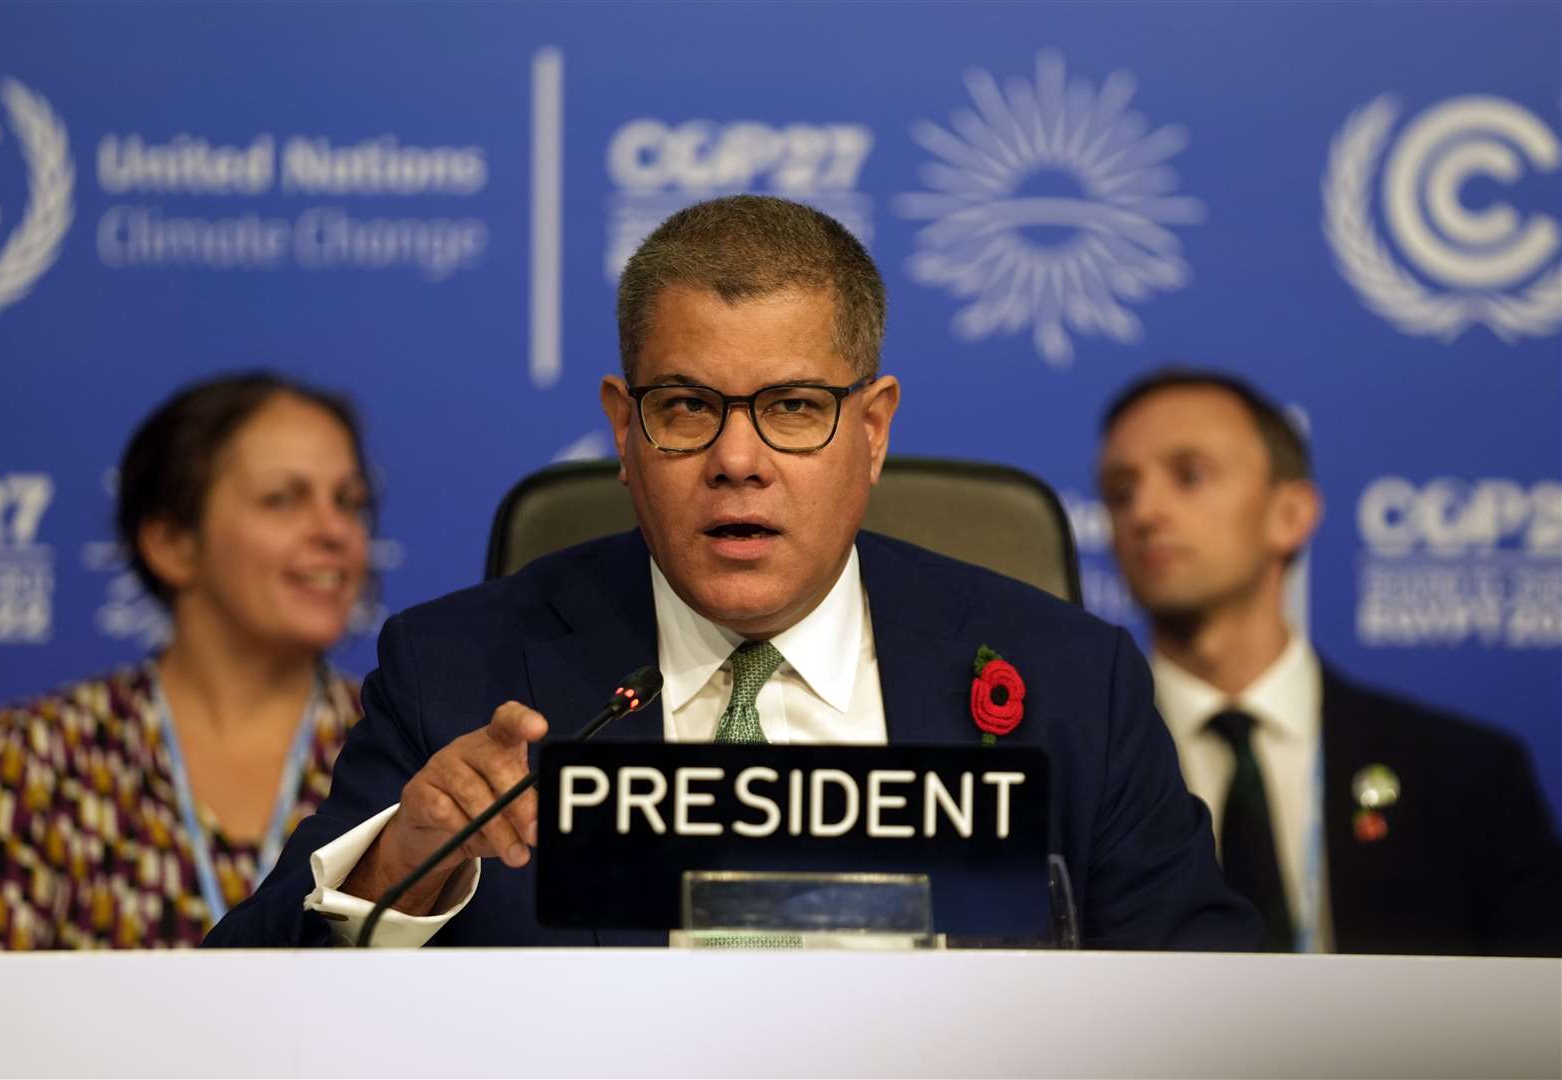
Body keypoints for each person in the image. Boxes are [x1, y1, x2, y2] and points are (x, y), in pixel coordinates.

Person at [205, 196, 1258, 950]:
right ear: (624, 430)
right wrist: (400, 873)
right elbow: (243, 1004)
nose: (738, 460)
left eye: (795, 407)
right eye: (687, 408)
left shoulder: (1071, 682)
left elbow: (1216, 1018)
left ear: (874, 430)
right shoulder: (459, 675)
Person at [1096, 368, 1562, 955]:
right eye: (1120, 491)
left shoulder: (1469, 777)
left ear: (1290, 514)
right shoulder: (1085, 769)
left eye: (1189, 476)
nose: (1145, 511)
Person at [0, 372, 373, 949]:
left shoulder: (397, 749)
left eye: (349, 502)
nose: (335, 530)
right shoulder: (35, 759)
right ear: (173, 543)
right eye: (283, 499)